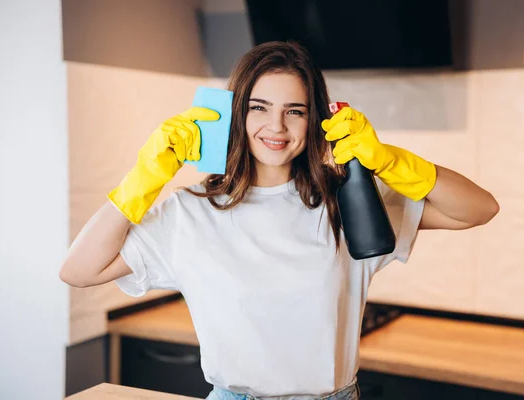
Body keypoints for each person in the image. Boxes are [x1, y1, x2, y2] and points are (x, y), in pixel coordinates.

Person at [59, 41, 499, 400]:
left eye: (296, 110)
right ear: (237, 114)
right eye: (259, 107)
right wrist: (144, 179)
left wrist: (391, 161)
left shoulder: (347, 198)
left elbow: (479, 209)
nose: (277, 126)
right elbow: (79, 270)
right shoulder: (189, 210)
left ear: (316, 120)